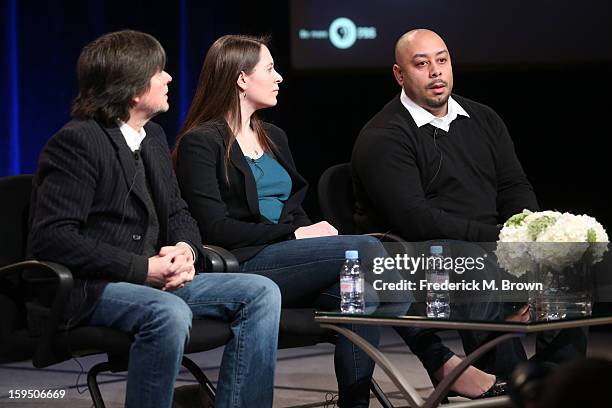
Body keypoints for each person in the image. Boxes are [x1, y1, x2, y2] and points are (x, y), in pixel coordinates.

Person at [27, 30, 281, 408]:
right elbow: (54, 238)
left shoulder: (154, 138)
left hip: (158, 281)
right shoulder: (78, 142)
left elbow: (178, 211)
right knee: (169, 312)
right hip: (94, 287)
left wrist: (185, 251)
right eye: (159, 71)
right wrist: (142, 267)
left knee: (261, 292)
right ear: (132, 88)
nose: (169, 78)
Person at [351, 28, 585, 390]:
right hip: (414, 255)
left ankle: (557, 381)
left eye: (442, 60)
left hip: (483, 243)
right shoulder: (383, 135)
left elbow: (513, 186)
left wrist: (530, 234)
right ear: (399, 74)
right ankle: (507, 383)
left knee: (562, 256)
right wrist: (499, 239)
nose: (435, 72)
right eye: (422, 64)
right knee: (475, 262)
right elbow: (416, 219)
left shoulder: (483, 118)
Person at [173, 34, 387, 408]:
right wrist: (297, 233)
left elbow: (294, 209)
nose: (279, 78)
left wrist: (309, 234)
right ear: (242, 79)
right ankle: (426, 335)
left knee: (361, 295)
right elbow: (214, 228)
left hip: (292, 262)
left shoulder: (273, 136)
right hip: (244, 263)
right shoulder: (201, 143)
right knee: (365, 246)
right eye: (270, 69)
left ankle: (356, 404)